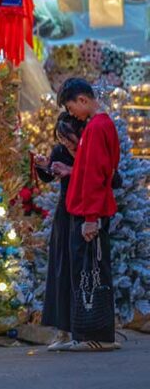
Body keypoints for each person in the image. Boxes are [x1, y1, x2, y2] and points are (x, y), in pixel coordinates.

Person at [57, 78, 119, 352]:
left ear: (83, 100)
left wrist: (91, 218)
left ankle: (93, 335)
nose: (72, 116)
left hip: (90, 213)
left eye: (72, 109)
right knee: (92, 272)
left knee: (89, 274)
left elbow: (95, 176)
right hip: (90, 210)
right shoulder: (101, 126)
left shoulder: (96, 128)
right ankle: (91, 334)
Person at [33, 112, 85, 351]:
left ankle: (82, 328)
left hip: (86, 210)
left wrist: (71, 170)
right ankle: (61, 330)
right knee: (61, 266)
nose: (65, 143)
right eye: (61, 138)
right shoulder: (60, 151)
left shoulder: (88, 149)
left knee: (80, 268)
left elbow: (105, 177)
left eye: (68, 138)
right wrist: (44, 167)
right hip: (65, 212)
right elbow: (51, 177)